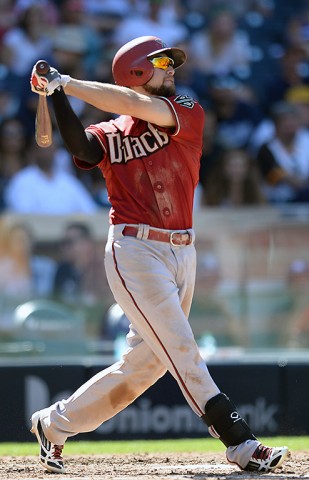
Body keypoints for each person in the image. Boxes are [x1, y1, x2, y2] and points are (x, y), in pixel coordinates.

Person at [28, 36, 289, 474]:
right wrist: (56, 95)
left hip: (182, 250)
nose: (172, 68)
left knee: (144, 366)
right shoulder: (111, 132)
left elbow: (132, 103)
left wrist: (66, 82)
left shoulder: (186, 106)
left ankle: (54, 425)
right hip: (134, 250)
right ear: (136, 70)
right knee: (182, 348)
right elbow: (82, 148)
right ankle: (239, 441)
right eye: (162, 62)